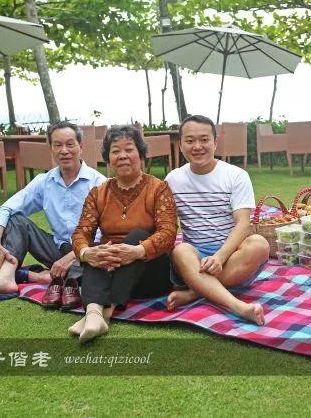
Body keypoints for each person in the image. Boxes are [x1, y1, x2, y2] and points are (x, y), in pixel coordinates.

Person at [0, 121, 106, 308]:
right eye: (57, 145)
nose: (64, 150)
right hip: (57, 250)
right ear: (51, 149)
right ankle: (6, 280)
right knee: (17, 221)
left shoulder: (99, 183)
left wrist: (72, 257)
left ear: (81, 147)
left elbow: (105, 234)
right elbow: (6, 209)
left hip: (88, 252)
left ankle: (35, 276)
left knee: (96, 272)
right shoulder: (44, 182)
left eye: (70, 144)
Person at [69, 125, 177, 343]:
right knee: (96, 250)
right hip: (109, 271)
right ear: (108, 158)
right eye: (115, 151)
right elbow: (82, 231)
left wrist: (137, 251)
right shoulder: (98, 193)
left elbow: (168, 232)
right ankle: (94, 314)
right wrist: (86, 253)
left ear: (141, 154)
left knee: (136, 234)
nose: (123, 156)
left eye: (129, 149)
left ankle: (105, 312)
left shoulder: (159, 188)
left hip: (150, 274)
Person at [165, 115, 269, 325]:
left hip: (231, 256)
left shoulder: (236, 175)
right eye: (190, 140)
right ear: (181, 145)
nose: (197, 146)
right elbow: (164, 224)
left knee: (259, 244)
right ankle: (239, 307)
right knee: (180, 250)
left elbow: (243, 223)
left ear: (215, 142)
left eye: (204, 140)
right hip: (195, 258)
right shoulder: (172, 180)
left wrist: (220, 257)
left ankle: (195, 292)